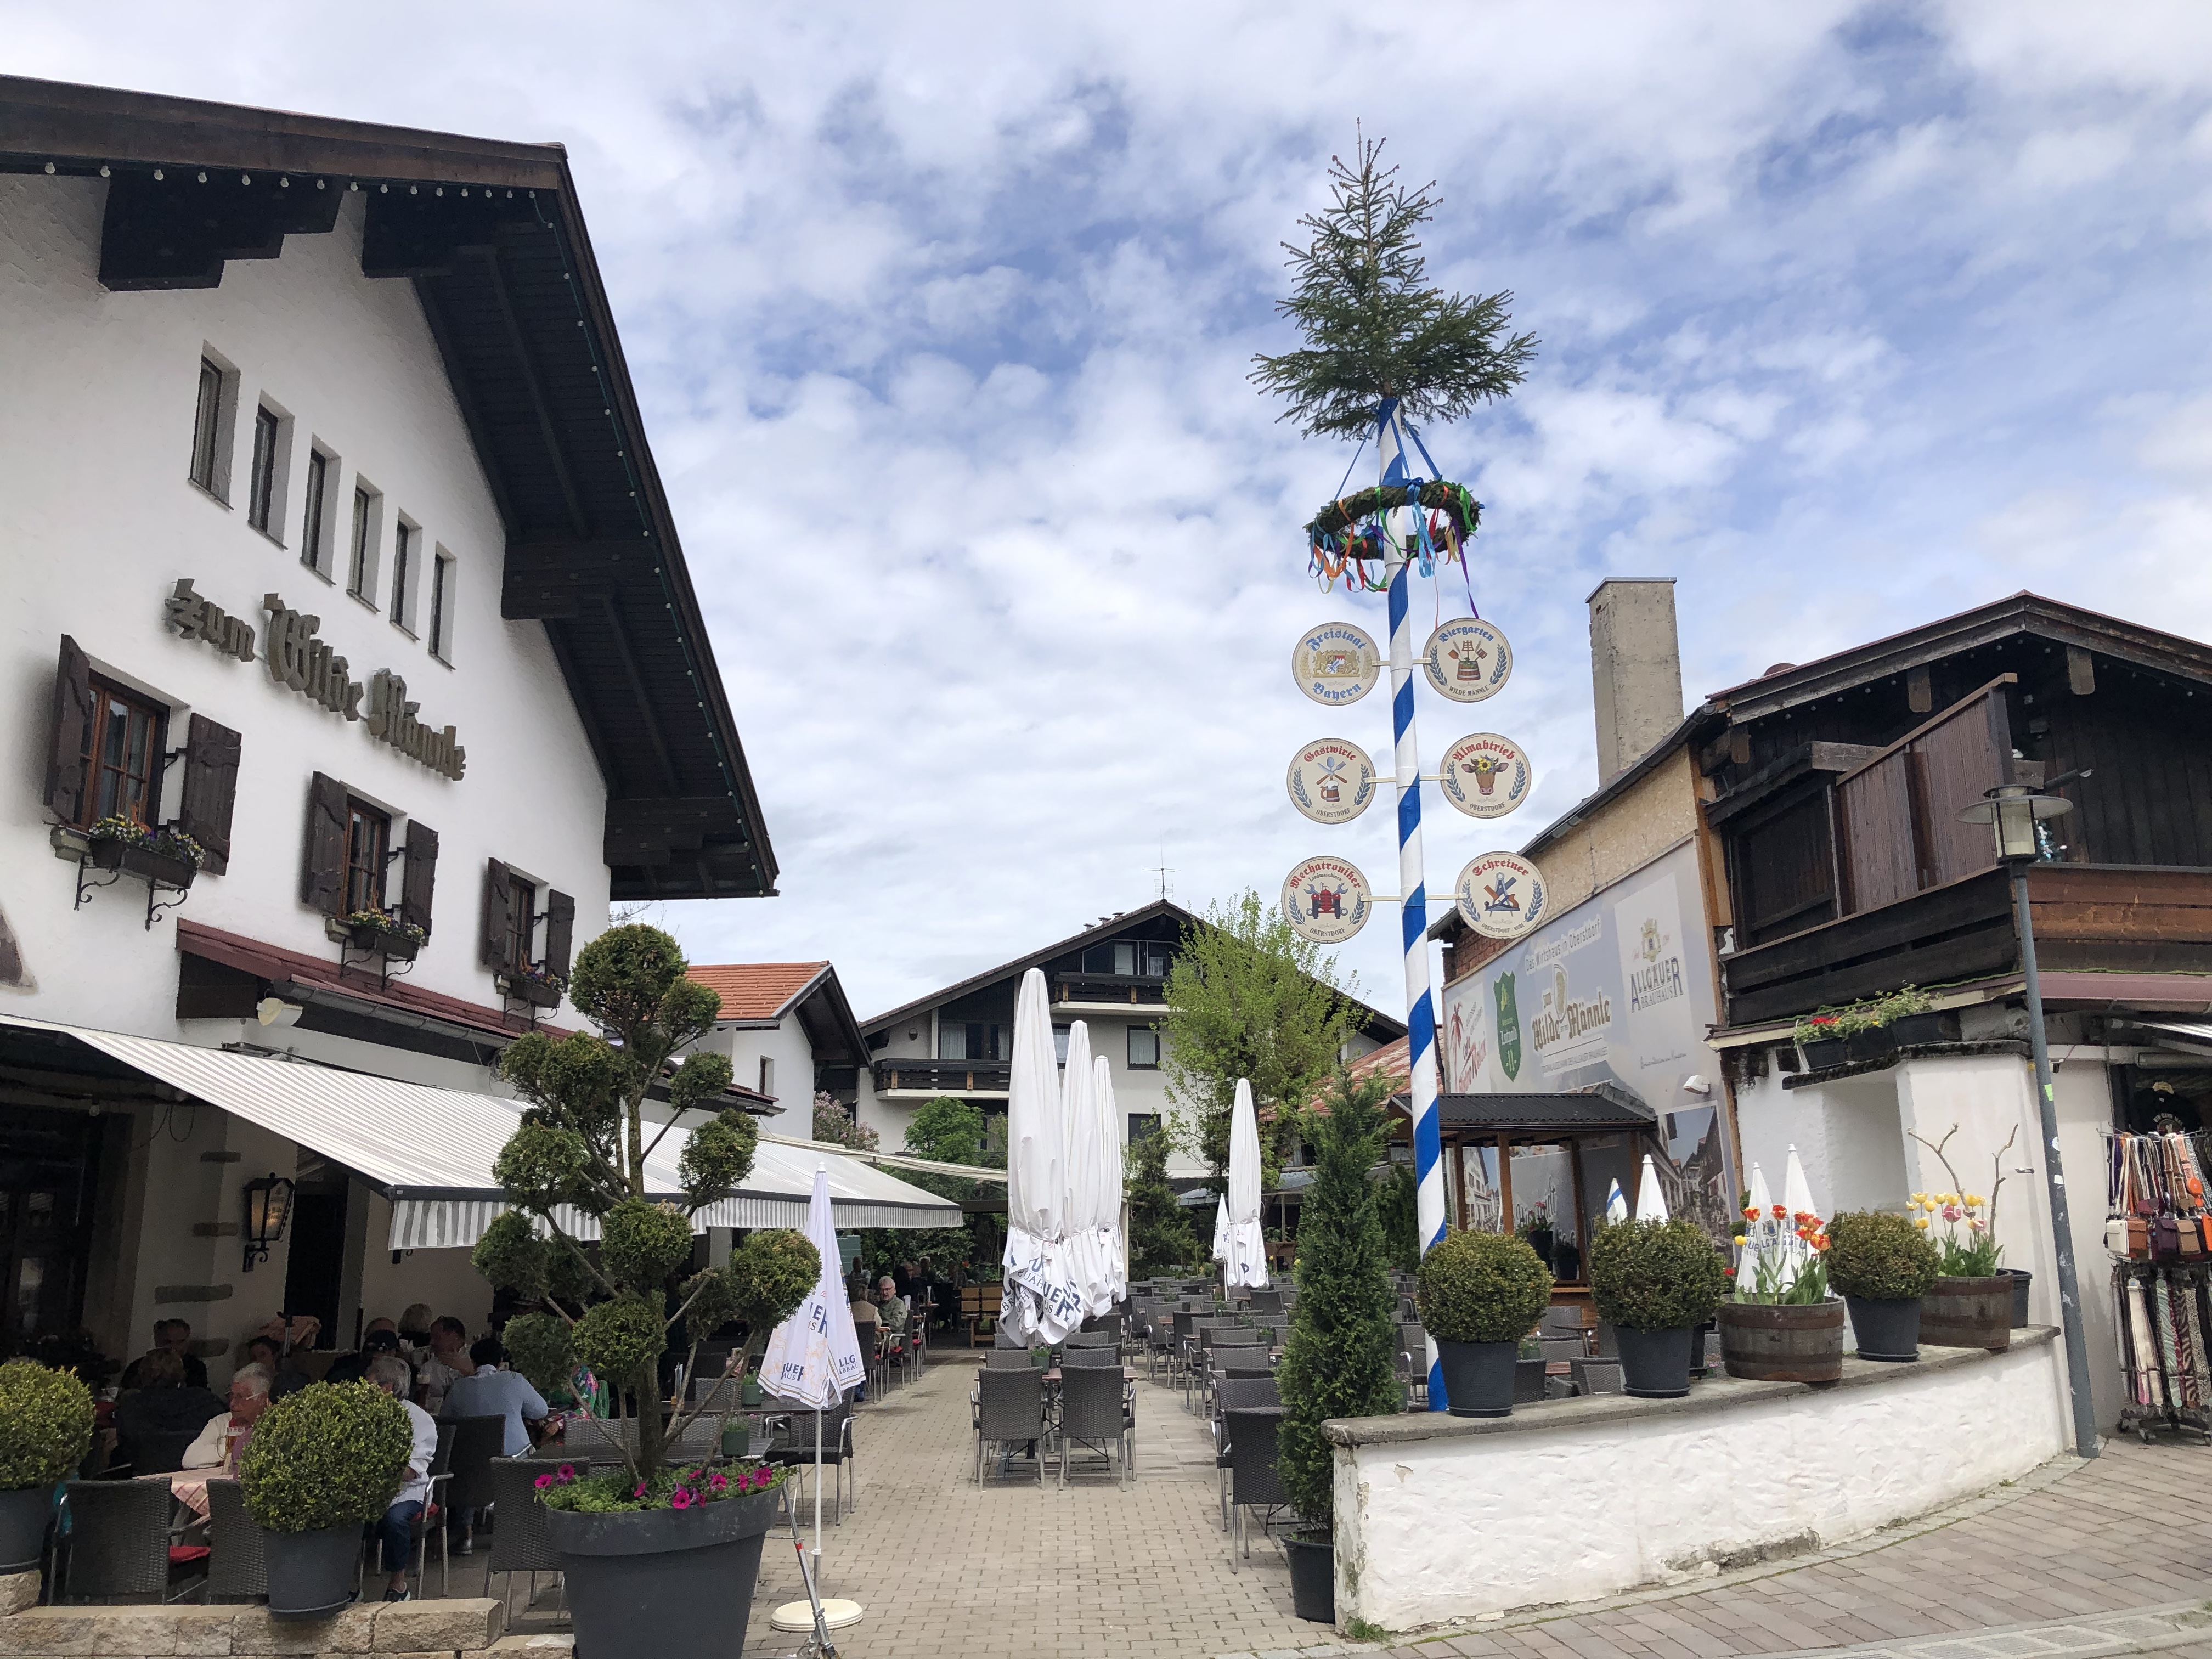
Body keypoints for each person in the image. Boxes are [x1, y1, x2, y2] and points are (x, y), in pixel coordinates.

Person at [440, 1338, 546, 1555]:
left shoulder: (459, 1387)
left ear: (473, 1361)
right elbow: (541, 1411)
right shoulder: (514, 1379)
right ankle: (514, 1529)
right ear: (500, 1361)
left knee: (468, 1459)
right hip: (512, 1462)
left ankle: (466, 1534)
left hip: (471, 1470)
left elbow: (445, 1420)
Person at [367, 1355, 439, 1602]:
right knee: (346, 1518)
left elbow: (410, 1471)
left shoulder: (420, 1420)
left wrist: (374, 1461)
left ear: (386, 1388)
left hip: (410, 1492)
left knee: (395, 1520)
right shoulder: (363, 1415)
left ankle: (398, 1584)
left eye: (369, 1385)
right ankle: (351, 1584)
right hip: (369, 1490)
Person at [114, 1350, 223, 1474]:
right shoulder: (206, 1400)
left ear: (142, 1374)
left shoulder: (130, 1405)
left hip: (146, 1478)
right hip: (202, 1473)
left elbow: (125, 1448)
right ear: (181, 1373)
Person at [182, 1364, 272, 1476]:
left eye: (240, 1397)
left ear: (261, 1399)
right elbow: (189, 1460)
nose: (232, 1404)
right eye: (231, 1396)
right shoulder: (221, 1423)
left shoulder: (277, 1424)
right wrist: (231, 1446)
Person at [415, 1317, 475, 1412]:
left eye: (437, 1337)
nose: (432, 1342)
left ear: (454, 1337)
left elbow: (488, 1390)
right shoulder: (428, 1368)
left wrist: (467, 1370)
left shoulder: (475, 1357)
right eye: (431, 1337)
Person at [848, 1278, 881, 1400]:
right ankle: (862, 1388)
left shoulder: (847, 1309)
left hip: (850, 1351)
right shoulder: (872, 1309)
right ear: (865, 1294)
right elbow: (878, 1324)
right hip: (868, 1350)